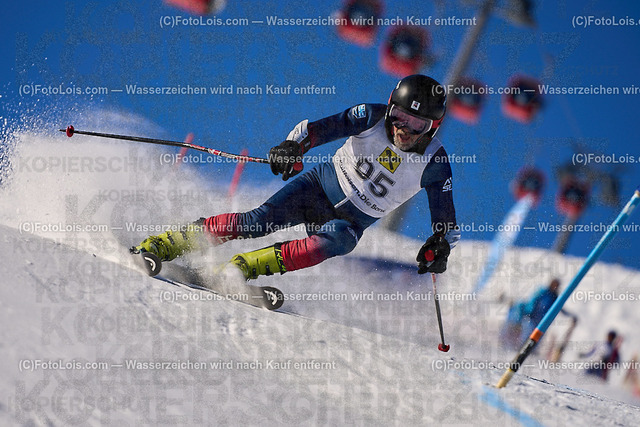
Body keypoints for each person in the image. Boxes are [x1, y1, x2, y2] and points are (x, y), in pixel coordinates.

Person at [132, 74, 460, 281]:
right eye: (400, 117)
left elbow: (446, 221)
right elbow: (314, 130)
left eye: (417, 125)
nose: (404, 129)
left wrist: (440, 245)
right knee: (257, 221)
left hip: (348, 221)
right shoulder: (371, 117)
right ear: (390, 107)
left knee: (340, 240)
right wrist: (291, 147)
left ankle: (240, 269)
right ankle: (166, 243)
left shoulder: (435, 163)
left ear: (433, 127)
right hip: (316, 188)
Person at [500, 278, 576, 348]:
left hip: (541, 321)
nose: (555, 287)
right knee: (525, 332)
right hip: (532, 317)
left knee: (536, 337)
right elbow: (533, 300)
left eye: (557, 285)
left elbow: (559, 308)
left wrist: (570, 316)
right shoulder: (543, 292)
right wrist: (530, 311)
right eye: (554, 284)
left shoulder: (555, 297)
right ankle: (516, 345)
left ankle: (529, 348)